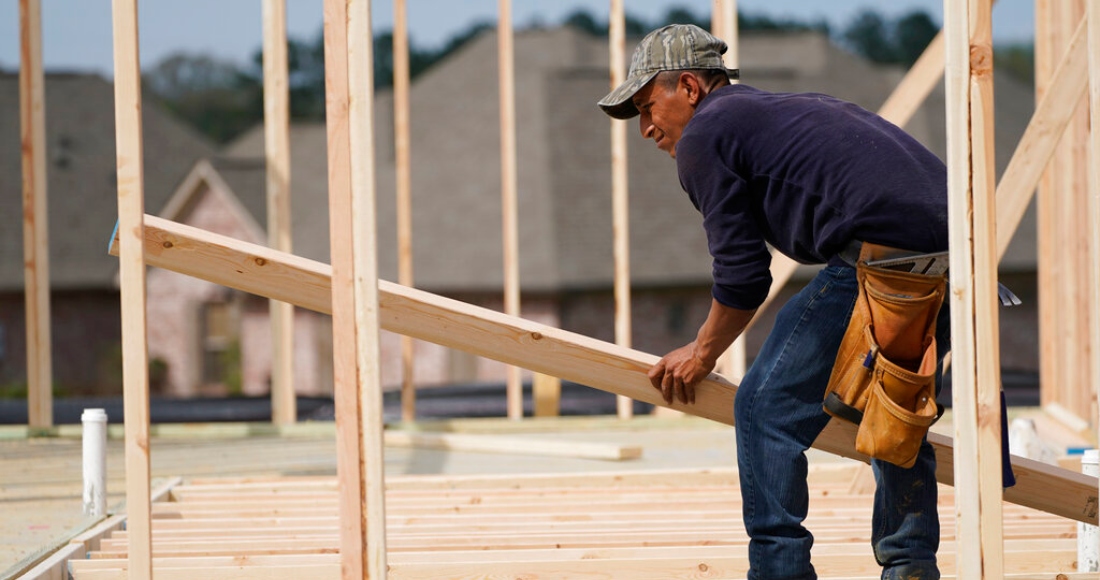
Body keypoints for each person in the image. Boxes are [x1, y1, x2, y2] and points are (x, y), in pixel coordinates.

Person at [598, 24, 950, 580]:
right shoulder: (783, 110)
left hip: (880, 261)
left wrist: (702, 352)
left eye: (647, 106)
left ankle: (778, 571)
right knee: (892, 409)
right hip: (957, 264)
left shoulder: (705, 135)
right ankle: (911, 565)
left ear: (688, 87)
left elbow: (742, 277)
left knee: (764, 412)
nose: (645, 128)